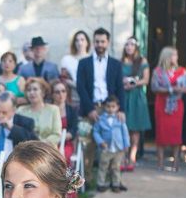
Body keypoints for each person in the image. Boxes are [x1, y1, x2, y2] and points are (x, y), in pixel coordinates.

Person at [76, 27, 125, 182]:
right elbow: (80, 87)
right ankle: (87, 180)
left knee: (112, 145)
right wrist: (90, 109)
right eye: (97, 41)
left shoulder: (116, 64)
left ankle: (111, 179)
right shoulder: (84, 63)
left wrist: (121, 109)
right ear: (93, 43)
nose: (100, 44)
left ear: (108, 42)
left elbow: (120, 88)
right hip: (90, 108)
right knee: (88, 144)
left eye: (103, 41)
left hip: (110, 109)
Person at [150, 46, 186, 172]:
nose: (176, 57)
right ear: (167, 56)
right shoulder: (158, 71)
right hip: (162, 104)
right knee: (161, 134)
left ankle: (175, 164)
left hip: (177, 105)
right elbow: (154, 88)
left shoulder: (182, 71)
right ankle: (160, 163)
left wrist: (181, 89)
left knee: (176, 134)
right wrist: (171, 89)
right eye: (174, 55)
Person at [120, 37, 151, 171]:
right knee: (124, 128)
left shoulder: (142, 61)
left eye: (132, 44)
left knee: (135, 129)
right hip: (124, 96)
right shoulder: (121, 62)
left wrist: (133, 82)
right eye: (127, 44)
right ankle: (123, 157)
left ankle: (132, 157)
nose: (129, 47)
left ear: (136, 47)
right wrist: (123, 83)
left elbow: (146, 80)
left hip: (136, 97)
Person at [93, 96, 130, 193]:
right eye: (108, 106)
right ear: (105, 107)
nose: (110, 109)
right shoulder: (100, 119)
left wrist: (126, 145)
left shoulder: (120, 118)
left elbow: (124, 133)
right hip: (106, 148)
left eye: (113, 107)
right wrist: (100, 142)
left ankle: (116, 184)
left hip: (118, 148)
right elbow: (96, 132)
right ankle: (100, 184)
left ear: (117, 107)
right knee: (103, 166)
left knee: (116, 167)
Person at [0, 92, 37, 158]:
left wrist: (12, 128)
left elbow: (32, 144)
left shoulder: (25, 122)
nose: (0, 115)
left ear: (13, 110)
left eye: (4, 112)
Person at [19, 77, 62, 146]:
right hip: (26, 151)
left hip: (48, 151)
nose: (31, 92)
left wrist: (40, 145)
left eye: (35, 89)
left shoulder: (53, 110)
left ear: (43, 92)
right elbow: (18, 133)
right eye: (29, 90)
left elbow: (57, 135)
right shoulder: (21, 110)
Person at [50, 80, 78, 162]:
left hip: (66, 142)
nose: (61, 94)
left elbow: (74, 129)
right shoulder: (47, 109)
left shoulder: (72, 110)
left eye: (63, 91)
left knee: (64, 156)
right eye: (57, 92)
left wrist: (63, 137)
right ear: (52, 94)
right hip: (50, 142)